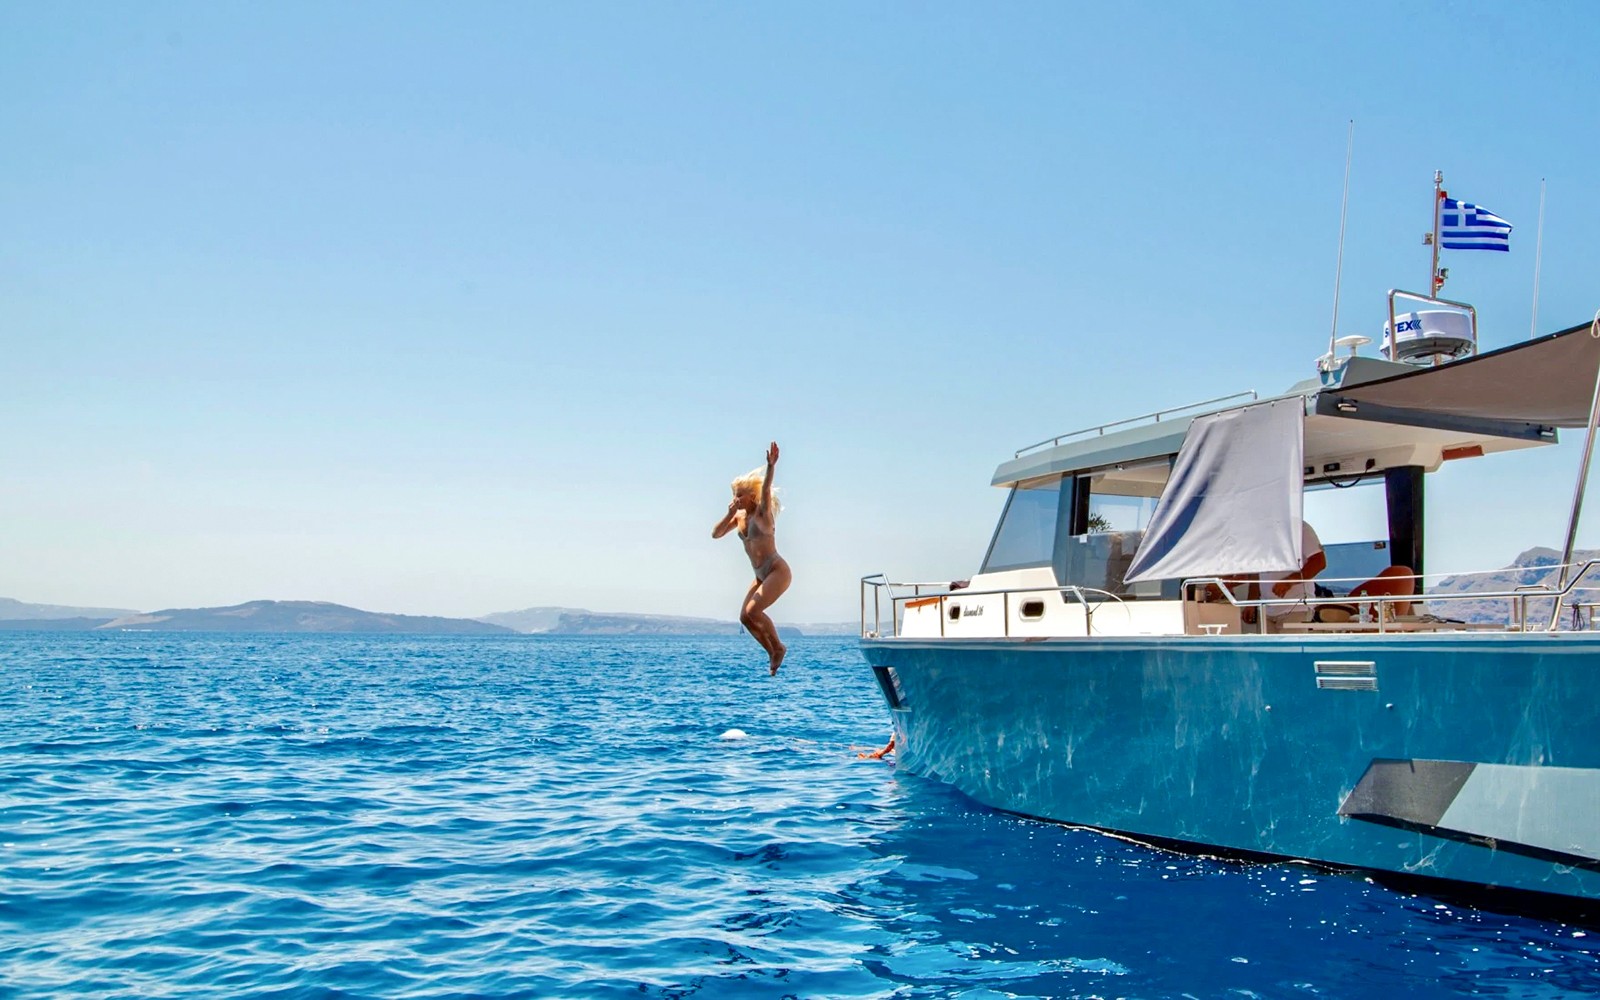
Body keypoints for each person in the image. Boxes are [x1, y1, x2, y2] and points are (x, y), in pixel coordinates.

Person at [712, 441, 792, 674]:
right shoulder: (738, 517)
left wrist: (771, 467)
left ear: (749, 496)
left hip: (776, 570)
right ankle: (772, 651)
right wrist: (729, 512)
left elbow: (766, 490)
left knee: (754, 611)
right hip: (759, 575)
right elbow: (715, 534)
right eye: (733, 496)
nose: (736, 499)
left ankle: (778, 647)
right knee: (745, 617)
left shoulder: (762, 513)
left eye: (739, 496)